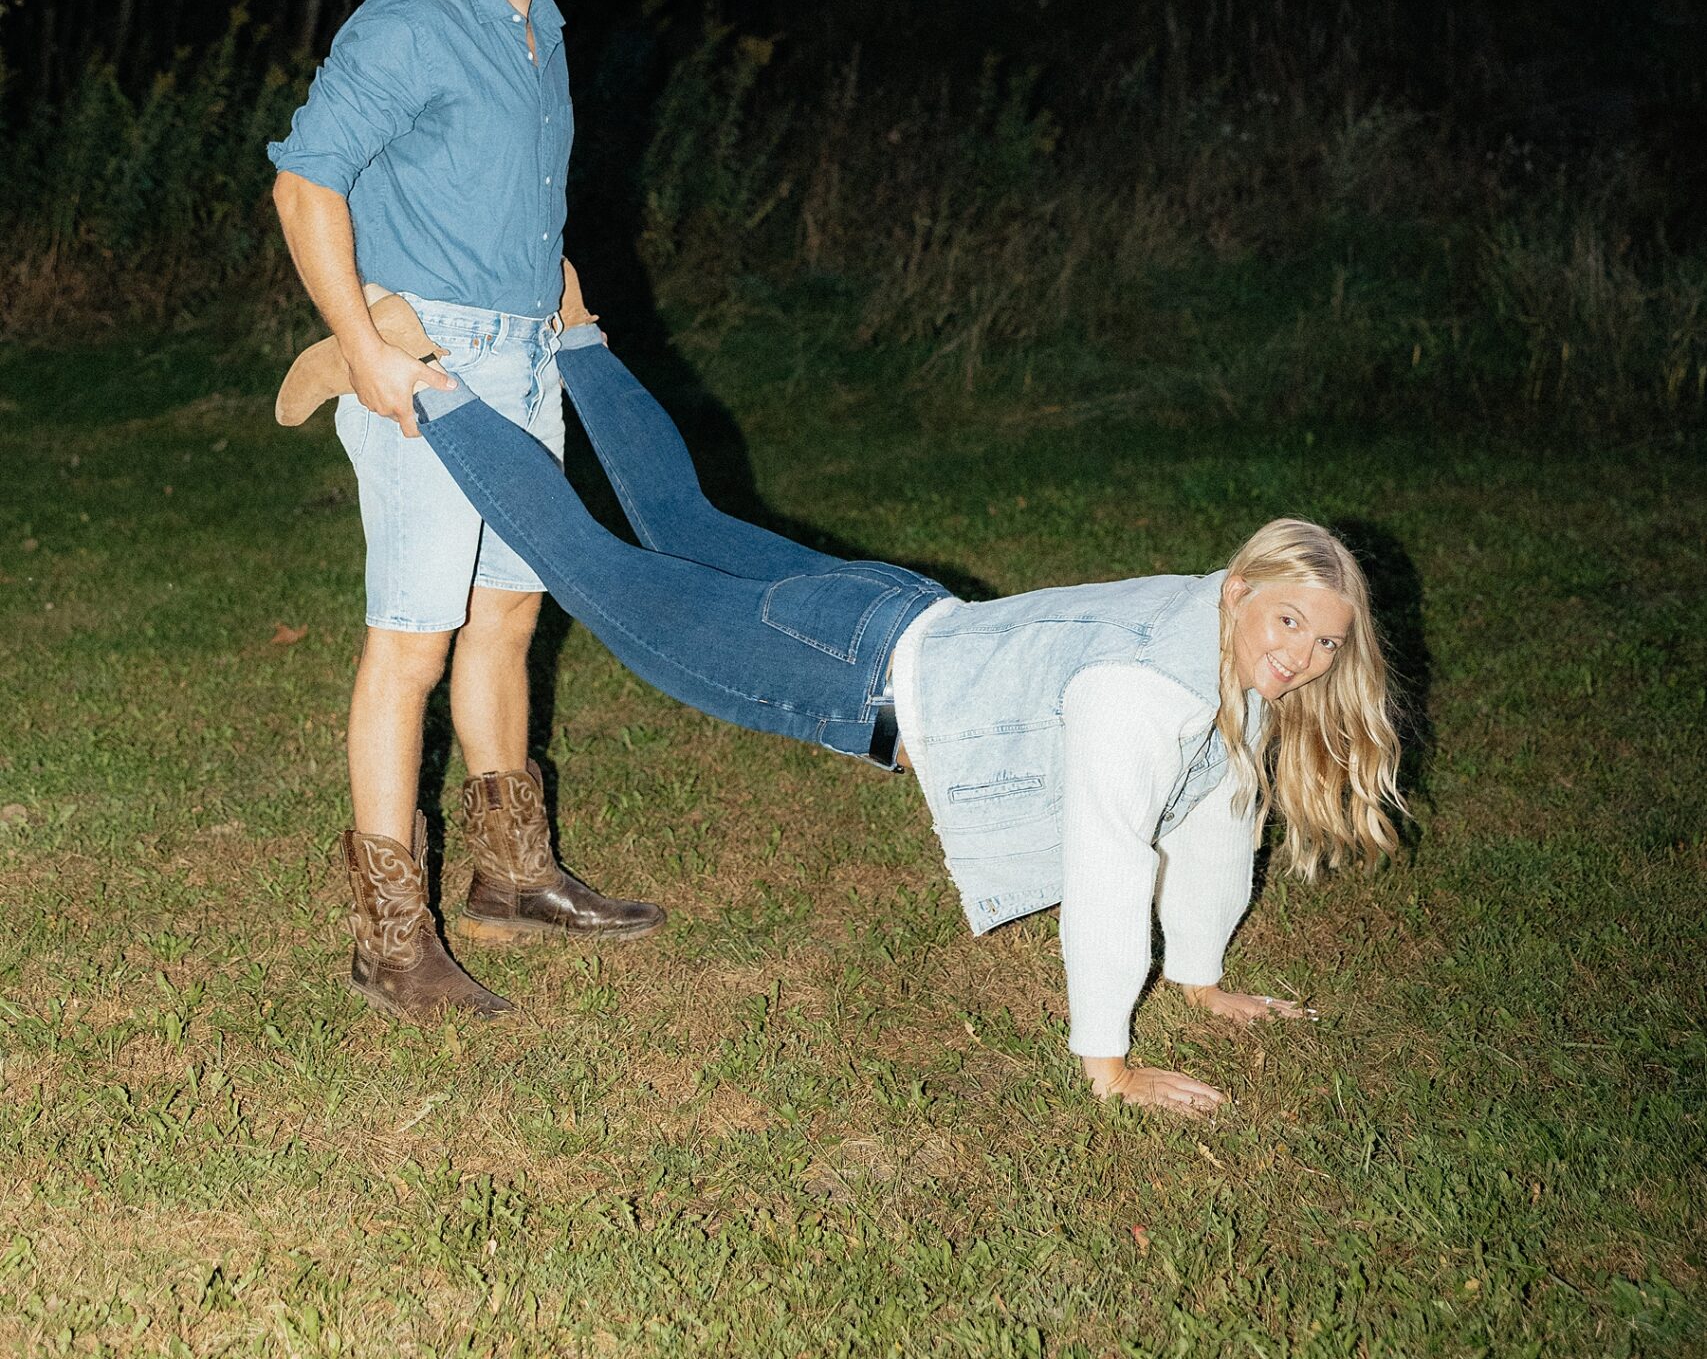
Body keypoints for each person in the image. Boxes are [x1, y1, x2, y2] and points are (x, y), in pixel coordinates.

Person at [279, 270, 1405, 1111]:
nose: (1300, 655)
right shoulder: (1152, 694)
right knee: (594, 568)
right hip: (852, 665)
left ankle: (575, 331)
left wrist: (1199, 979)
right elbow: (1112, 863)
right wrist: (1106, 1062)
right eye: (1289, 622)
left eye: (1324, 642)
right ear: (1242, 589)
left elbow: (1216, 817)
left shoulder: (1219, 649)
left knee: (680, 524)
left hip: (898, 614)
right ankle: (413, 380)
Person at [267, 0, 664, 1025]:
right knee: (413, 641)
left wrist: (562, 290)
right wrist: (363, 350)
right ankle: (391, 943)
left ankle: (512, 877)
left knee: (509, 614)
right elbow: (304, 183)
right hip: (426, 362)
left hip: (526, 356)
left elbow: (512, 190)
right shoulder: (409, 21)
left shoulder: (540, 23)